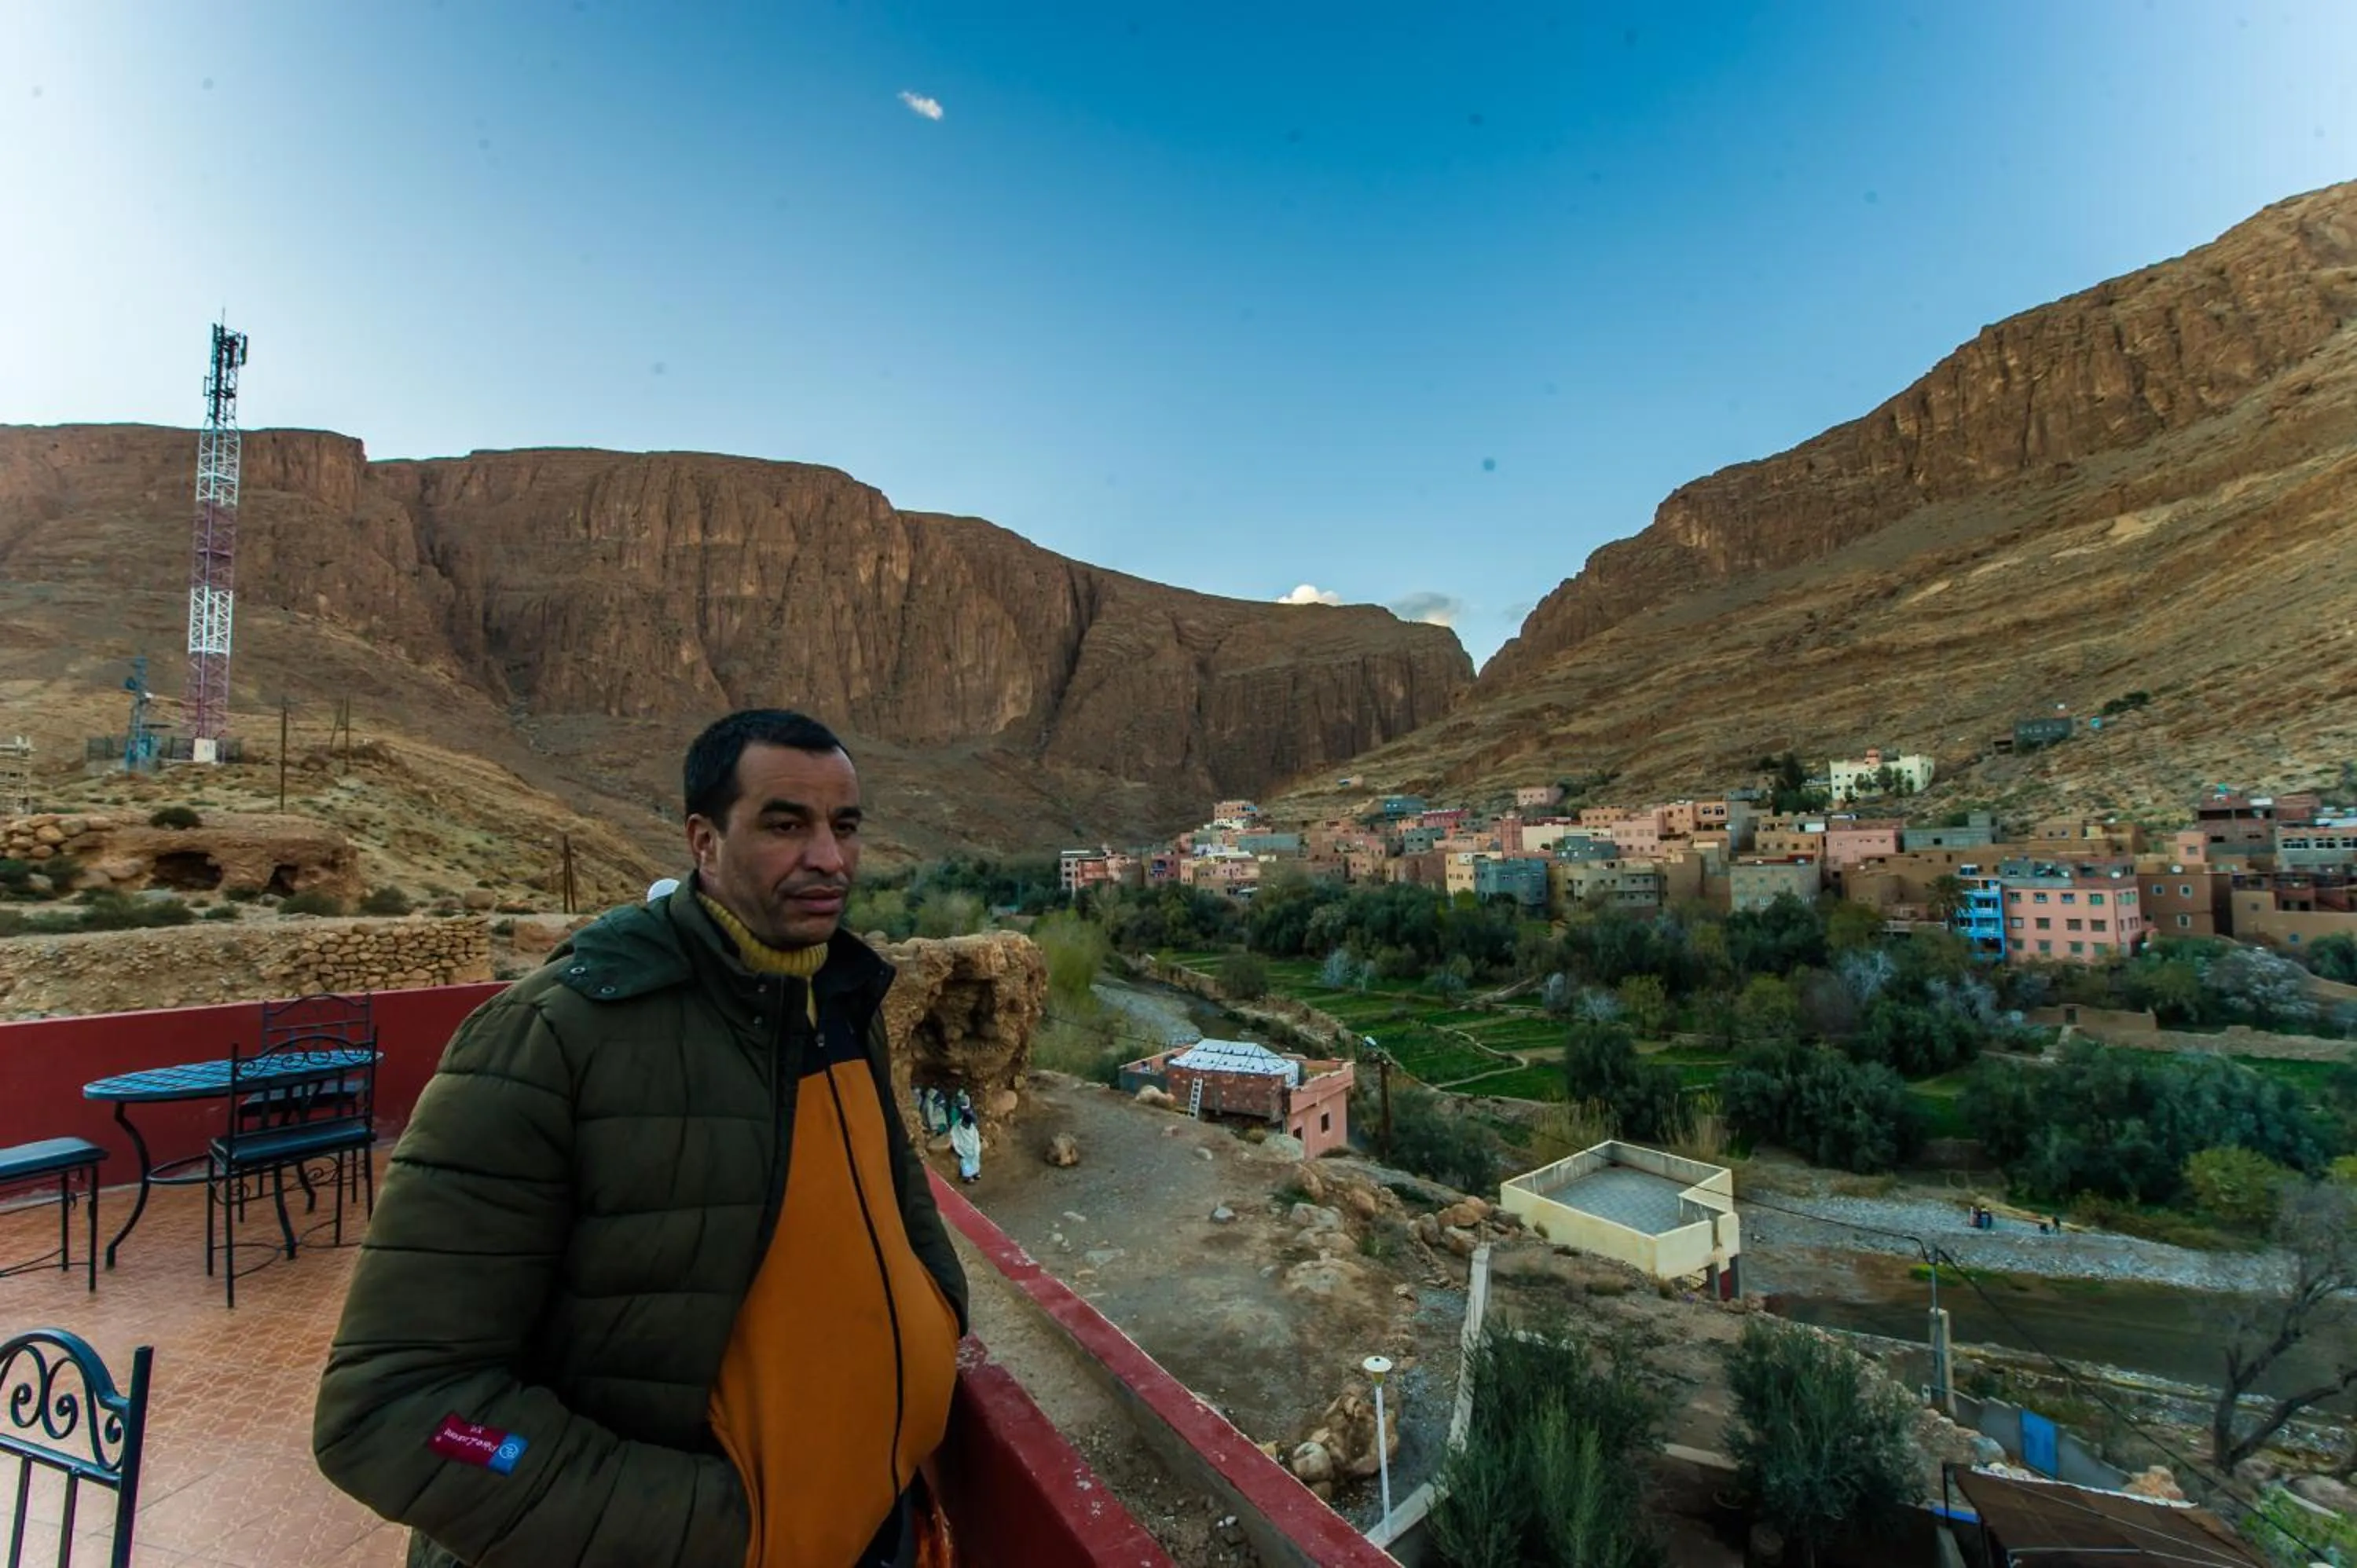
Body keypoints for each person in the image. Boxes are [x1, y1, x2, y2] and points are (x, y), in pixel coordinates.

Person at [313, 709, 967, 1568]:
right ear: (704, 841)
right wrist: (715, 1530)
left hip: (873, 1523)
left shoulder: (838, 998)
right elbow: (404, 1412)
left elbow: (893, 1191)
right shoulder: (554, 1037)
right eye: (785, 824)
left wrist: (936, 1314)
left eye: (844, 827)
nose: (829, 858)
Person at [950, 1107, 982, 1184]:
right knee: (965, 1161)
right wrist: (958, 1149)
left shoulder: (972, 1127)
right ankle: (967, 1176)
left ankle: (975, 1172)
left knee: (975, 1158)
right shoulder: (957, 1127)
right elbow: (954, 1137)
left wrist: (976, 1148)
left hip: (972, 1147)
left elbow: (976, 1138)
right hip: (963, 1148)